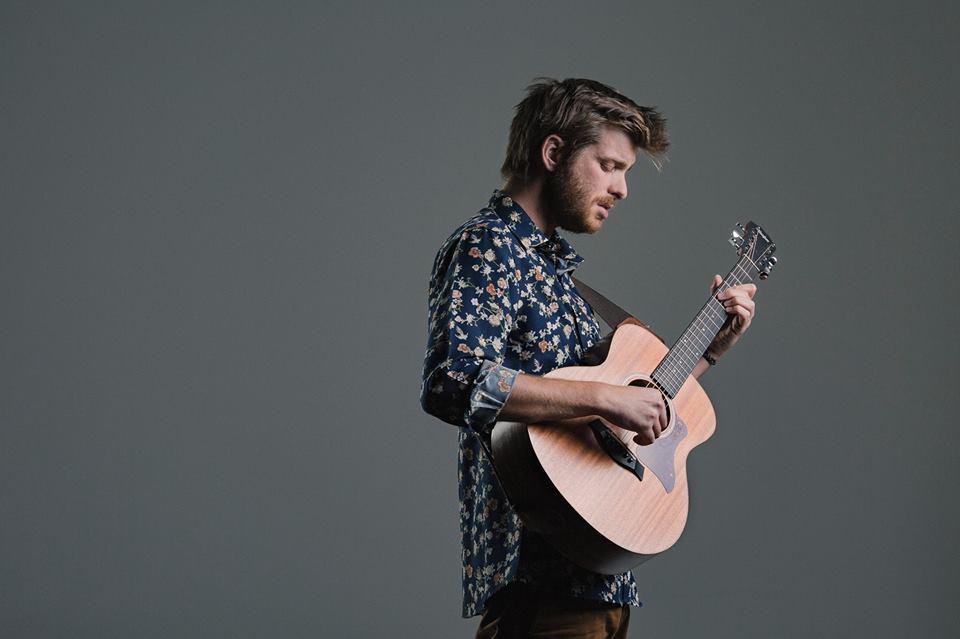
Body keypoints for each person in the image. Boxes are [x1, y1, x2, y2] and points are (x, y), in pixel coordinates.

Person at [419, 78, 757, 638]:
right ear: (553, 153)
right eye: (609, 166)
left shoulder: (557, 276)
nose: (622, 189)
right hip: (541, 584)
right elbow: (453, 381)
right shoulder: (489, 246)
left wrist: (708, 355)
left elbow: (615, 422)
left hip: (599, 580)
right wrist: (607, 397)